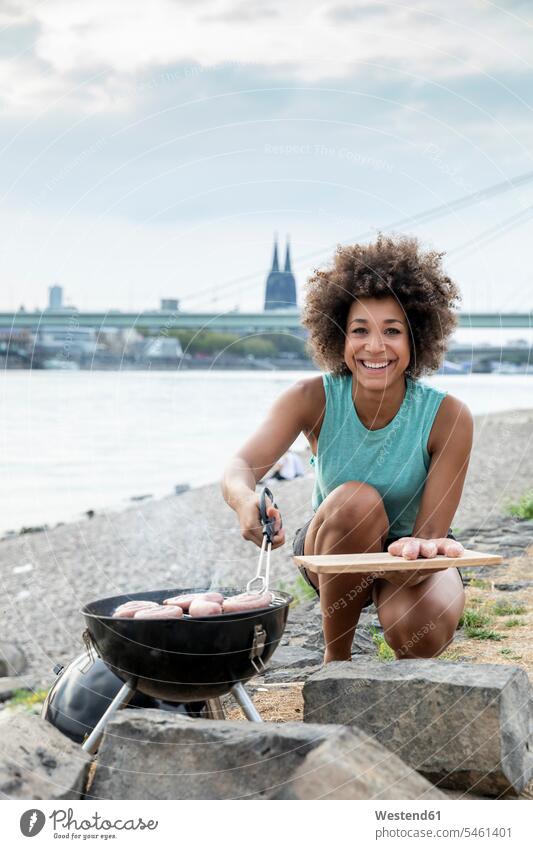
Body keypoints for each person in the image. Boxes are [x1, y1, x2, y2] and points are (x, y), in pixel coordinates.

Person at [221, 233, 472, 663]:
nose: (375, 347)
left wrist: (414, 559)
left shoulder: (449, 416)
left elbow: (429, 537)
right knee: (357, 501)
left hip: (414, 550)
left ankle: (405, 669)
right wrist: (245, 500)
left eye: (392, 331)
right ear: (339, 337)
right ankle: (335, 664)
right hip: (336, 544)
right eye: (360, 331)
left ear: (416, 338)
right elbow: (241, 465)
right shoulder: (311, 398)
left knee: (420, 630)